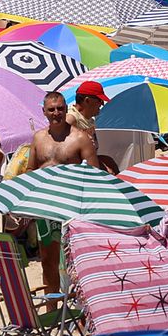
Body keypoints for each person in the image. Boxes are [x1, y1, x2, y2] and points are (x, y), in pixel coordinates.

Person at [28, 90, 97, 291]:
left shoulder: (80, 139)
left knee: (74, 261)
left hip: (72, 208)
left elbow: (95, 175)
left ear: (66, 109)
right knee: (47, 260)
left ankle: (78, 313)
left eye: (60, 109)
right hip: (46, 208)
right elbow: (30, 170)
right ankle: (53, 309)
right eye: (51, 109)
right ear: (44, 112)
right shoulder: (38, 138)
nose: (56, 113)